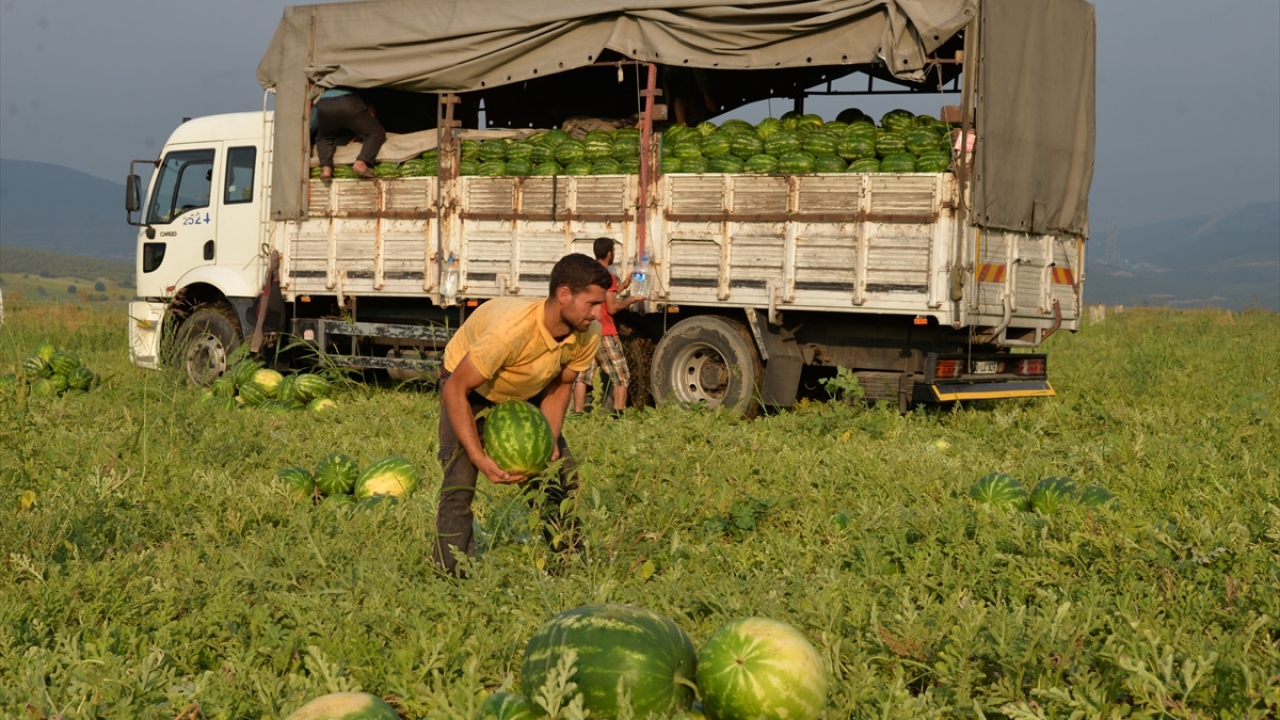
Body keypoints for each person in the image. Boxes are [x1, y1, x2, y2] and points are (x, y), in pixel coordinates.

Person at [433, 254, 611, 576]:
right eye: (593, 303)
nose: (599, 313)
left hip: (527, 383)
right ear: (565, 295)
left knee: (557, 480)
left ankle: (567, 567)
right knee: (458, 485)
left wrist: (550, 437)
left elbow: (560, 383)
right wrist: (478, 457)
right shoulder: (509, 332)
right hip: (469, 387)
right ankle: (450, 577)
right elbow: (455, 390)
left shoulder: (589, 332)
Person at [573, 237, 646, 415]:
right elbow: (612, 307)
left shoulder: (588, 276)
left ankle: (577, 414)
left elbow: (604, 296)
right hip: (605, 332)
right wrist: (631, 299)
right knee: (621, 377)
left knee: (583, 376)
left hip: (587, 331)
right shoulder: (608, 276)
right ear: (609, 253)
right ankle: (617, 416)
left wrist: (624, 286)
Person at [312, 87, 386, 179]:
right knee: (376, 132)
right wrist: (364, 129)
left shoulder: (322, 92)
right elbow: (371, 113)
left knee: (323, 139)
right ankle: (361, 163)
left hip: (324, 105)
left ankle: (326, 169)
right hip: (348, 102)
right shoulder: (359, 87)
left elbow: (313, 122)